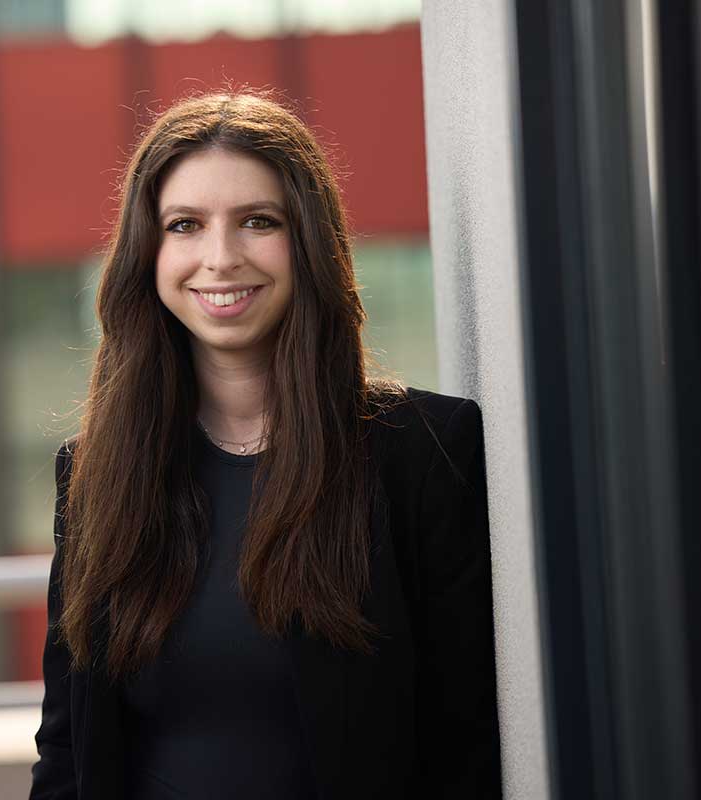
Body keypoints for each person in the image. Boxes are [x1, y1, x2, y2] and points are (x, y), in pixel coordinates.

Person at [29, 91, 502, 799]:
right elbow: (68, 749)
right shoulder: (98, 475)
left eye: (258, 221)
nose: (219, 258)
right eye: (185, 225)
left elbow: (469, 745)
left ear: (309, 241)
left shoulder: (422, 455)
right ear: (148, 254)